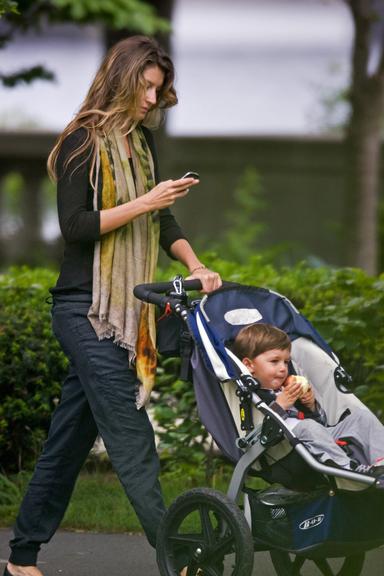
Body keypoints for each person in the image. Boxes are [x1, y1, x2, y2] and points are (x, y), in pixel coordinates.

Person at [5, 36, 221, 576]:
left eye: (158, 89)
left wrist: (195, 266)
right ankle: (179, 555)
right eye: (146, 86)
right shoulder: (81, 141)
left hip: (120, 311)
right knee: (131, 435)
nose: (152, 98)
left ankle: (22, 556)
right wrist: (146, 200)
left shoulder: (139, 147)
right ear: (123, 78)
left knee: (68, 440)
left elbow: (160, 222)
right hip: (85, 310)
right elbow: (75, 227)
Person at [232, 323, 384, 477]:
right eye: (274, 361)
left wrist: (311, 406)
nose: (283, 368)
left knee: (362, 417)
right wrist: (280, 406)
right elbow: (263, 429)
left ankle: (381, 462)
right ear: (249, 365)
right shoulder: (252, 395)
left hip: (319, 439)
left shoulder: (287, 387)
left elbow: (320, 425)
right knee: (308, 427)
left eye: (286, 361)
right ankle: (348, 471)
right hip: (287, 449)